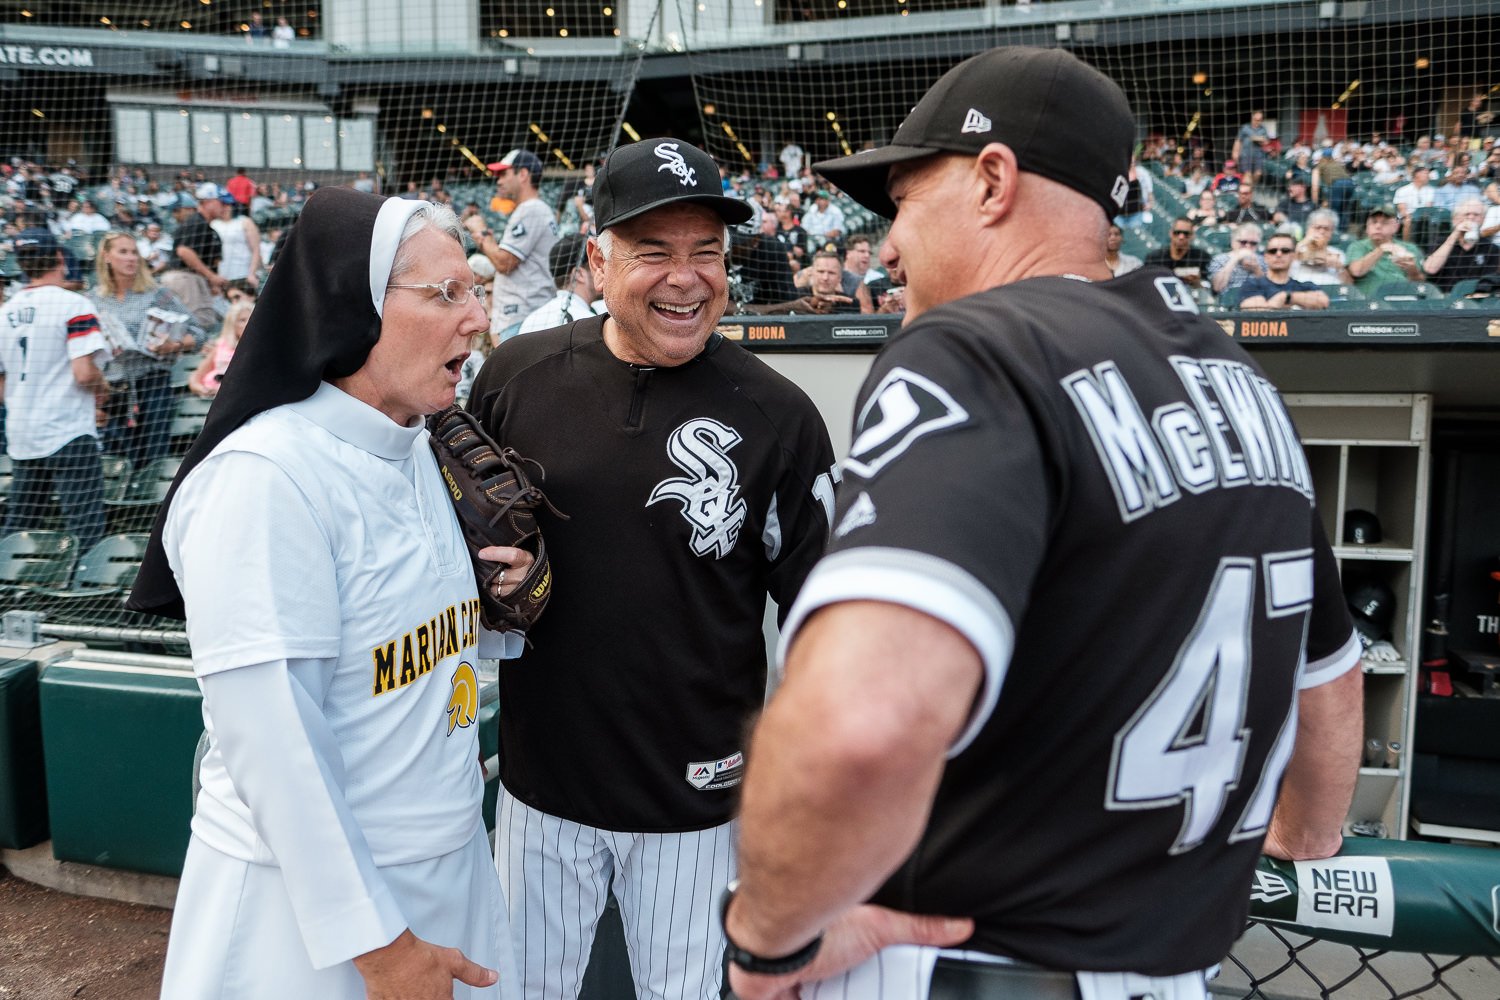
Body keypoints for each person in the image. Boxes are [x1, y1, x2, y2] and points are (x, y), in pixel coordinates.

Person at [723, 46, 1363, 1000]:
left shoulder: (974, 350)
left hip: (967, 965)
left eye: (902, 201)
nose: (888, 247)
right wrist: (1300, 833)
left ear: (991, 181)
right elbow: (1332, 692)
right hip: (1176, 970)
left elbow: (858, 729)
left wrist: (768, 938)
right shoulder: (1236, 381)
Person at [127, 188, 525, 1000]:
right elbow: (273, 740)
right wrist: (380, 947)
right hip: (310, 913)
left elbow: (398, 653)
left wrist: (498, 605)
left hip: (448, 861)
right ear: (354, 307)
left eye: (475, 290)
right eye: (447, 293)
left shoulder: (417, 447)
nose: (477, 317)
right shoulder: (265, 478)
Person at [467, 138, 835, 1000]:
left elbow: (829, 614)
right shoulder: (518, 377)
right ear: (598, 259)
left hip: (697, 804)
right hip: (540, 789)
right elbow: (461, 562)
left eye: (706, 251)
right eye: (654, 252)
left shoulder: (777, 414)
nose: (686, 277)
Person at [0, 229, 110, 553]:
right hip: (68, 431)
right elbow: (84, 373)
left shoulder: (4, 312)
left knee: (21, 525)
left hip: (22, 432)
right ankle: (91, 596)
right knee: (86, 526)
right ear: (60, 258)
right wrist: (104, 388)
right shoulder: (74, 304)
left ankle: (9, 592)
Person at [90, 231, 203, 468]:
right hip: (112, 390)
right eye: (123, 252)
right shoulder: (93, 300)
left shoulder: (158, 294)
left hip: (153, 386)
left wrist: (175, 345)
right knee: (116, 460)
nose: (131, 258)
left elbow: (198, 333)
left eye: (134, 252)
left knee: (152, 460)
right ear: (106, 256)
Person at [477, 150, 559, 343]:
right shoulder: (535, 209)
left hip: (524, 318)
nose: (498, 181)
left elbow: (504, 262)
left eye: (504, 174)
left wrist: (481, 235)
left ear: (523, 174)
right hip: (526, 316)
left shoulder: (531, 209)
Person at [161, 183, 229, 328]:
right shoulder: (196, 221)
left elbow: (213, 261)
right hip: (185, 278)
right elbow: (184, 251)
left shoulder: (209, 229)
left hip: (193, 279)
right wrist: (211, 277)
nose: (225, 207)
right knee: (197, 324)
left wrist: (212, 282)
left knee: (206, 322)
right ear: (207, 202)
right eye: (221, 202)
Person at [514, 233, 605, 335]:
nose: (603, 272)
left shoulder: (531, 320)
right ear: (579, 274)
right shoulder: (591, 324)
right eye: (597, 267)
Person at [1236, 232, 1332, 309]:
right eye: (1273, 251)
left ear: (1293, 256)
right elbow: (1259, 312)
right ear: (1266, 257)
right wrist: (1300, 301)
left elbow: (1323, 302)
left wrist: (1286, 297)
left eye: (1285, 250)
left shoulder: (1305, 286)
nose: (1278, 254)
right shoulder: (1252, 284)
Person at [1421, 195, 1497, 292]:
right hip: (1443, 298)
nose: (1471, 218)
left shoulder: (1491, 248)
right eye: (1466, 214)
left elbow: (1489, 281)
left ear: (1483, 220)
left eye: (1476, 215)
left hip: (1476, 300)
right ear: (1455, 219)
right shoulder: (1441, 242)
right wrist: (1454, 235)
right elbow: (1430, 269)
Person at [1345, 203, 1425, 296]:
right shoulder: (1357, 246)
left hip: (1402, 299)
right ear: (1367, 227)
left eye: (1384, 222)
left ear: (1396, 227)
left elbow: (1420, 284)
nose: (1378, 226)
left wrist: (1413, 271)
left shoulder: (1409, 248)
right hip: (1369, 301)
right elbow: (1356, 271)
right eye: (1374, 222)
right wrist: (1381, 249)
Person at [187, 299, 254, 399]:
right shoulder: (221, 345)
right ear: (233, 325)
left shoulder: (261, 349)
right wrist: (202, 389)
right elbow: (195, 378)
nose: (248, 323)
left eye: (251, 319)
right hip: (213, 397)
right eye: (242, 320)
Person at [1143, 216, 1212, 290]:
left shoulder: (1202, 257)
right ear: (1171, 233)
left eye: (1186, 233)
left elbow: (1208, 286)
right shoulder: (1154, 258)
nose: (1181, 237)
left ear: (1192, 235)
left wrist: (1197, 283)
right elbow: (1146, 284)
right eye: (1177, 232)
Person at [1290, 209, 1350, 286]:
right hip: (1300, 291)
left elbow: (1349, 286)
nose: (1322, 232)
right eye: (1317, 227)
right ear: (1308, 229)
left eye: (1326, 229)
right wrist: (1302, 245)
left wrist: (1340, 268)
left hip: (1330, 292)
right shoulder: (1295, 249)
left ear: (1332, 233)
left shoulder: (1337, 253)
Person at [1208, 222, 1267, 296]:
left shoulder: (1262, 260)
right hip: (1228, 302)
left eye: (1253, 243)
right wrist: (1235, 259)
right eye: (1243, 242)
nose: (1248, 246)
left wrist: (1257, 270)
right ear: (1233, 241)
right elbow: (1217, 288)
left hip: (1255, 301)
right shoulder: (1220, 259)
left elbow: (1268, 289)